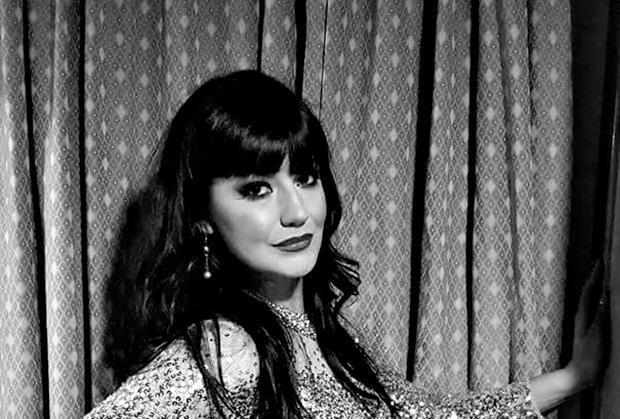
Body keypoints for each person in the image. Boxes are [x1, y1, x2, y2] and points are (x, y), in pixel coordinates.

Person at [85, 70, 608, 418]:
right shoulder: (229, 348)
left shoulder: (325, 337)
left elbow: (428, 416)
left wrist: (573, 378)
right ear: (202, 218)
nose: (296, 212)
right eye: (257, 189)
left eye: (306, 177)